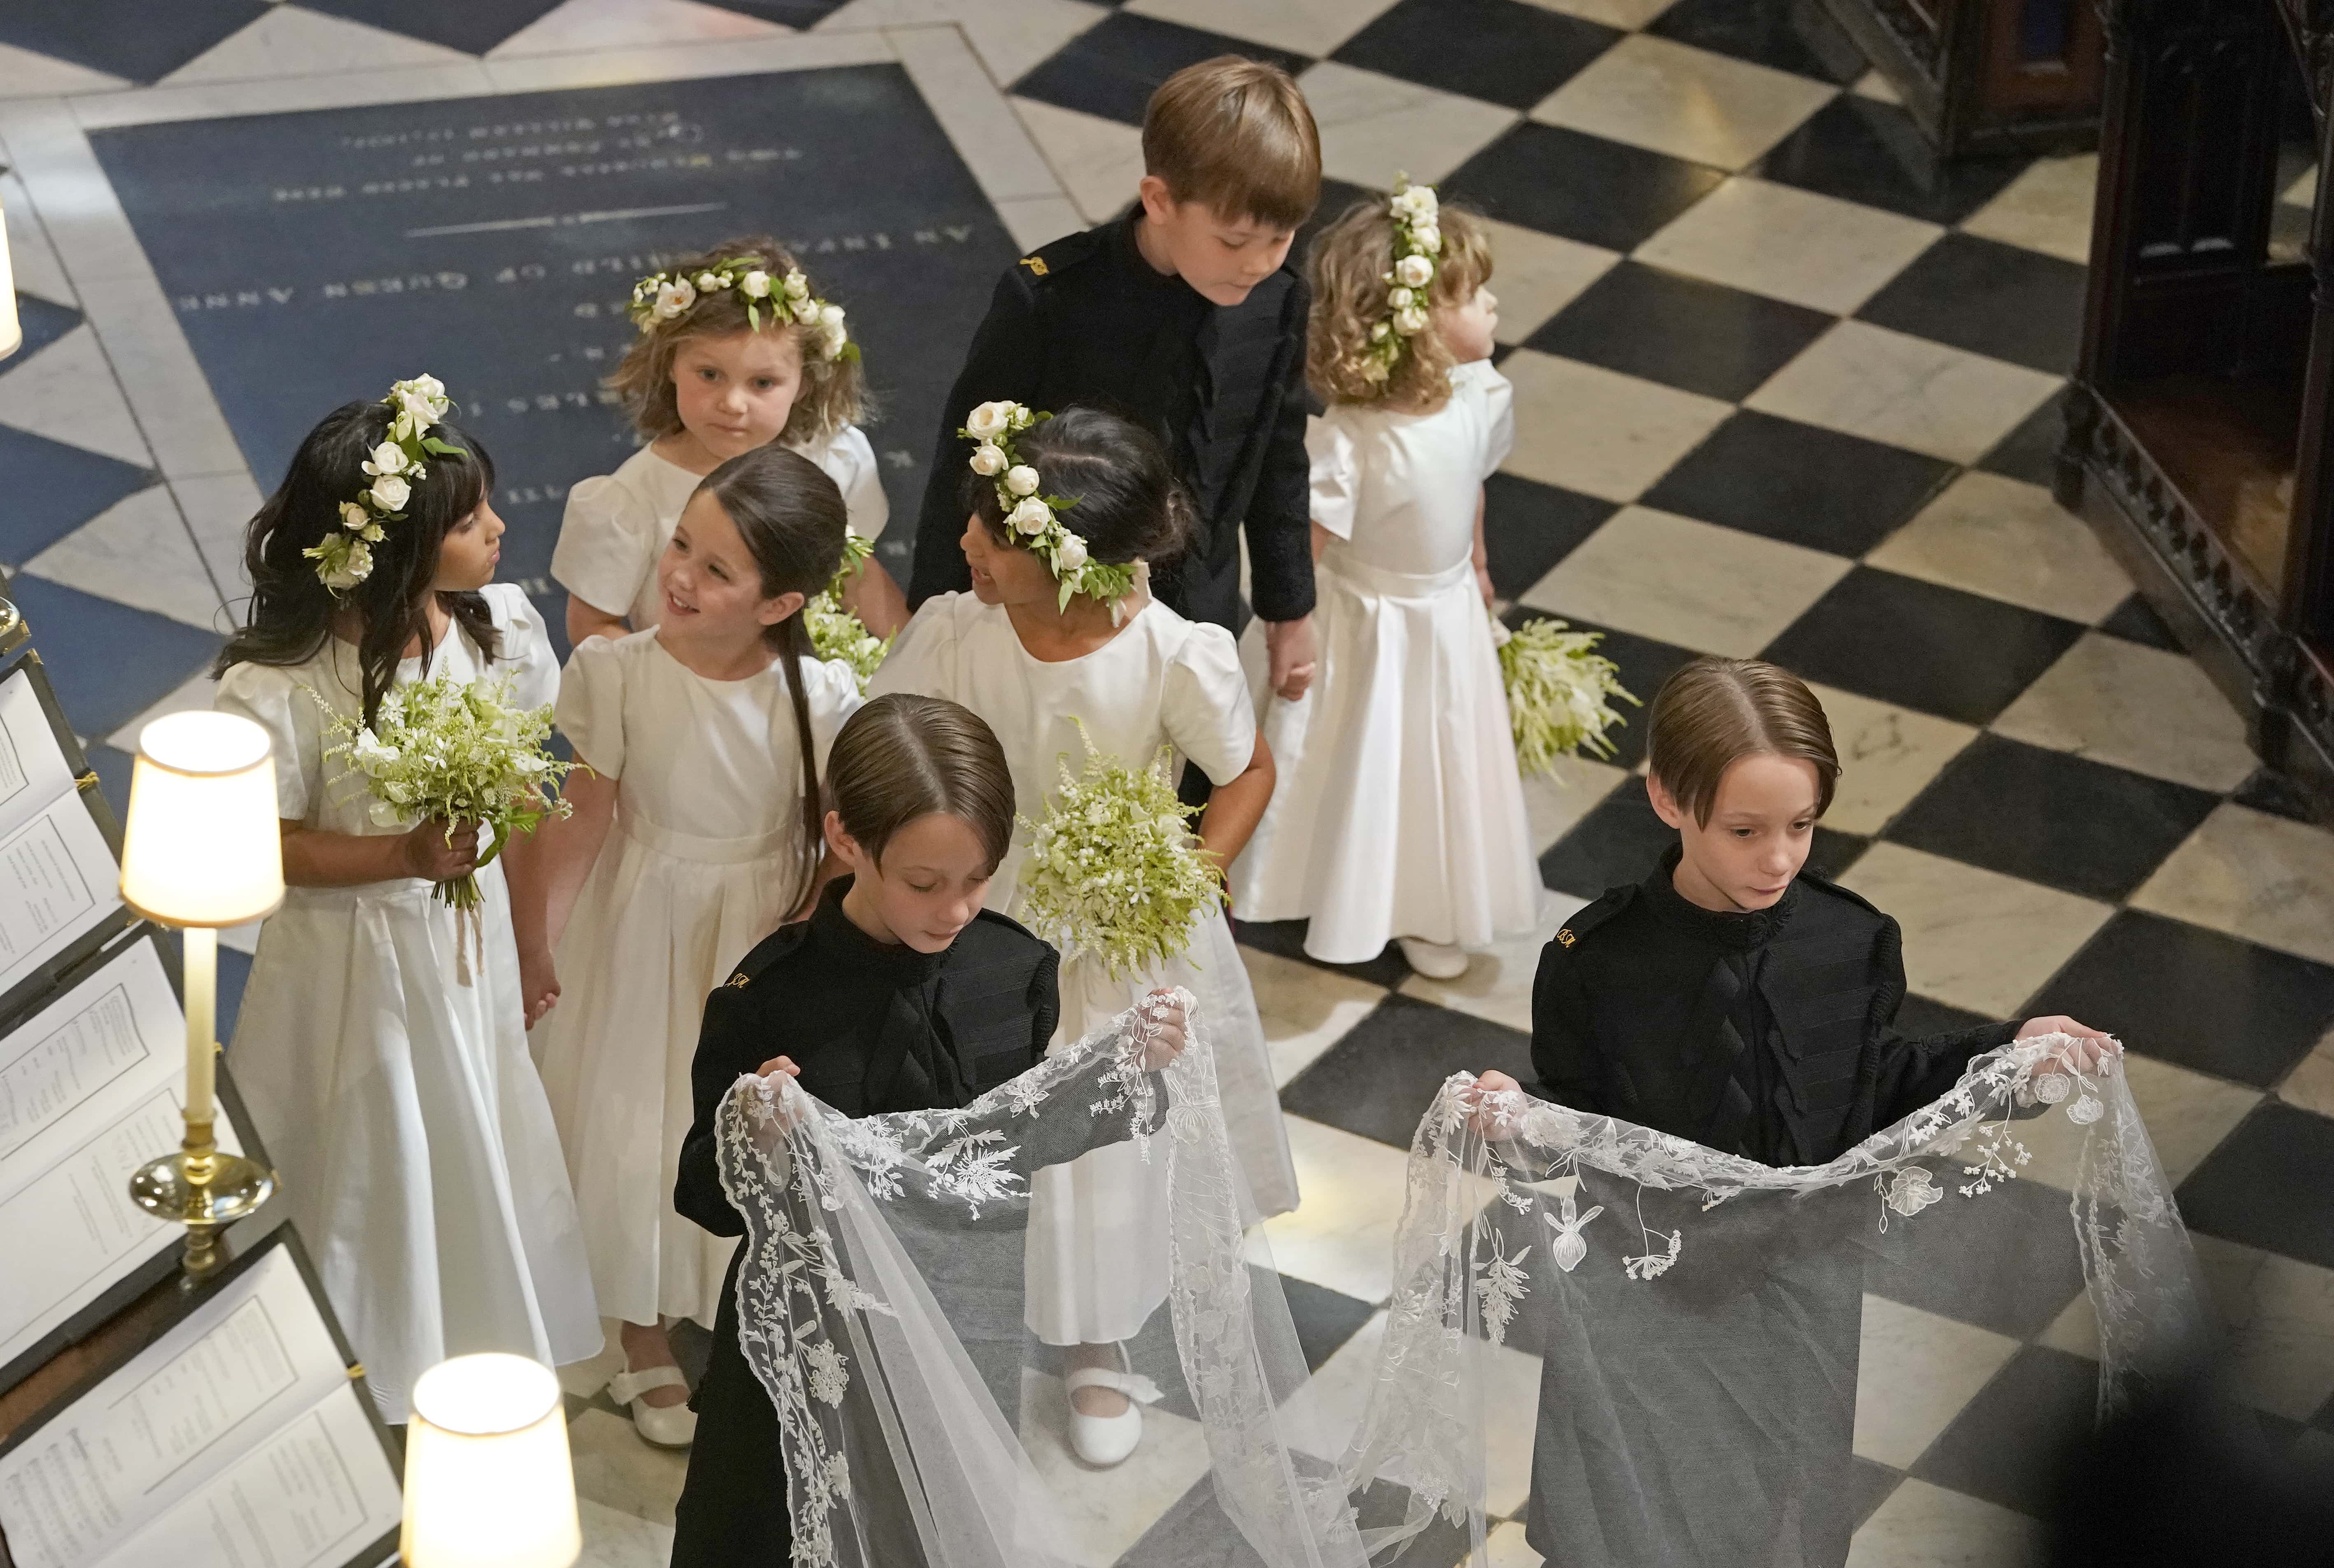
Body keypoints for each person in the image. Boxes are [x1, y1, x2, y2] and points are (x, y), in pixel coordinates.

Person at [1469, 656, 2122, 1565]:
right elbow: (1581, 1117)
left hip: (1797, 1297)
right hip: (1646, 1299)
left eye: (1802, 826)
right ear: (1668, 800)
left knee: (1768, 1509)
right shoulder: (1596, 960)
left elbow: (1881, 1084)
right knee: (1626, 1508)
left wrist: (2008, 1051)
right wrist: (1520, 1117)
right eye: (1744, 830)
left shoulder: (1851, 940)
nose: (1778, 858)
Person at [665, 693, 1188, 1567]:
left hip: (958, 1326)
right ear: (846, 841)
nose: (954, 910)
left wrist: (1127, 1072)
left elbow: (1010, 1147)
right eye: (923, 883)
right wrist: (749, 1135)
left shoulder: (1013, 970)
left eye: (977, 879)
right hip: (810, 1347)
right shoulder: (771, 998)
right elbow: (705, 1199)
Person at [871, 403, 1298, 1467]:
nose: (964, 539)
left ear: (1065, 560)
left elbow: (1245, 770)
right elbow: (892, 745)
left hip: (1106, 935)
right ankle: (948, 1307)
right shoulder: (954, 635)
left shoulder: (1169, 656)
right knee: (963, 1109)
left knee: (1095, 1143)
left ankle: (1094, 1338)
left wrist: (1185, 873)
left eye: (991, 529)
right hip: (970, 914)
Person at [214, 380, 597, 1422]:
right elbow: (269, 841)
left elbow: (521, 794)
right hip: (348, 967)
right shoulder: (288, 683)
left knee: (470, 1126)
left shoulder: (499, 630)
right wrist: (402, 854)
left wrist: (533, 938)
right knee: (365, 1145)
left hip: (463, 959)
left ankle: (466, 1327)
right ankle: (351, 1348)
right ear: (398, 550)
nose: (500, 529)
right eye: (472, 521)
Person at [526, 447, 862, 1448]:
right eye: (683, 546)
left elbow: (829, 838)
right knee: (645, 1115)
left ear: (781, 601)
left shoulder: (821, 693)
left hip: (758, 921)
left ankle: (731, 1293)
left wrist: (812, 933)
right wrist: (542, 943)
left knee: (742, 1117)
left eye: (718, 571)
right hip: (644, 921)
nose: (681, 576)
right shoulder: (616, 672)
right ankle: (641, 1325)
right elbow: (583, 814)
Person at [904, 56, 1323, 711]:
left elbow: (1277, 458)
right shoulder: (1050, 299)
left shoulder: (1279, 298)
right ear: (1159, 201)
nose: (1261, 264)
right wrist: (931, 622)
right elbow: (964, 473)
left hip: (1201, 626)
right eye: (1234, 240)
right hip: (1051, 622)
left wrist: (1289, 608)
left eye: (1282, 238)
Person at [1230, 186, 1540, 979]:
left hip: (1442, 620)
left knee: (1433, 765)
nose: (1493, 305)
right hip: (1361, 627)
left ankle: (1424, 901)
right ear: (1418, 325)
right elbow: (1304, 543)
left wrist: (1473, 560)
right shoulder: (1352, 441)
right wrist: (1286, 626)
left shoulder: (1477, 398)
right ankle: (1323, 883)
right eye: (1471, 296)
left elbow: (1469, 482)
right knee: (1356, 759)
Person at [551, 234, 904, 650]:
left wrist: (913, 655)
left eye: (763, 383)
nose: (733, 404)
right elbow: (593, 623)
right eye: (710, 375)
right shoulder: (630, 501)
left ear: (804, 384)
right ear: (671, 366)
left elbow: (855, 573)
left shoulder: (835, 459)